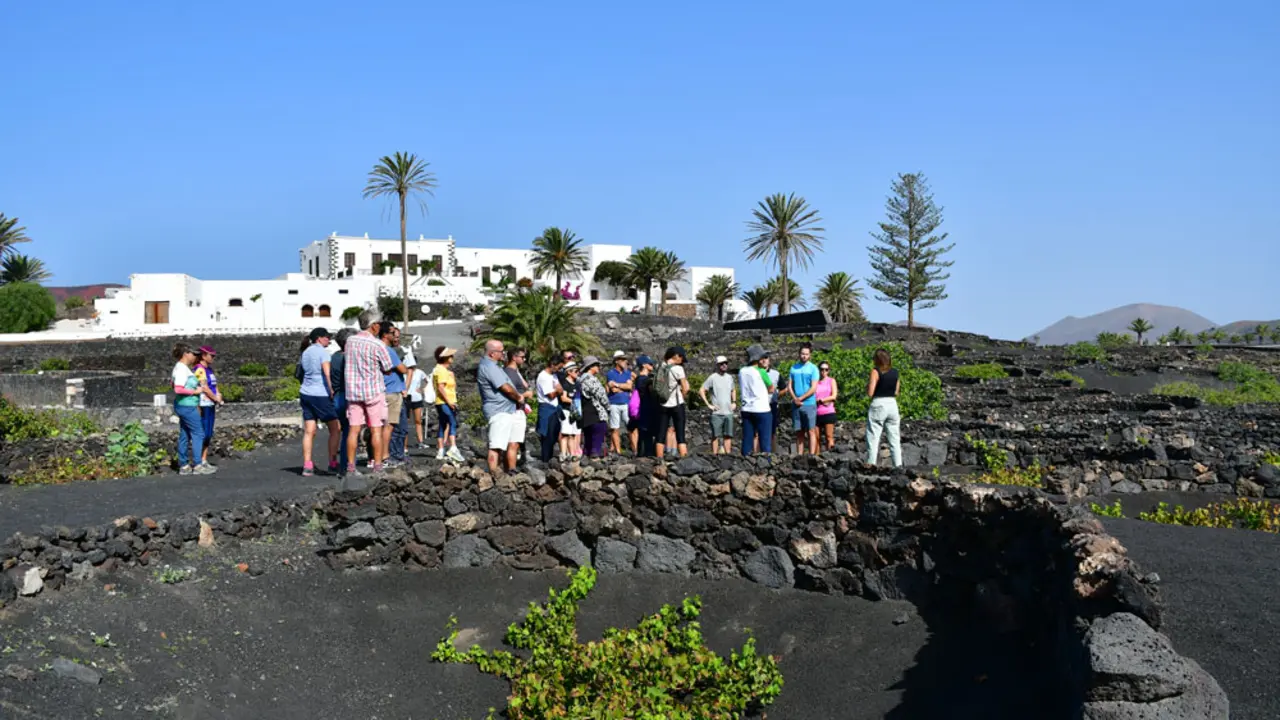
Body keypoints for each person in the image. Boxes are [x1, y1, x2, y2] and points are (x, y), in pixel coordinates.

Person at [343, 318, 393, 476]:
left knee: (353, 430)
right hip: (373, 390)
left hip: (353, 391)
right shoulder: (378, 344)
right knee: (376, 429)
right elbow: (388, 368)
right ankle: (377, 467)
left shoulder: (350, 340)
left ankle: (351, 467)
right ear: (374, 325)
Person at [298, 327, 341, 477]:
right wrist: (331, 390)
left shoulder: (305, 352)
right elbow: (327, 373)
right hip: (320, 393)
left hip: (305, 392)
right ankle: (333, 462)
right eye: (327, 337)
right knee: (335, 428)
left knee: (309, 430)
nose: (329, 340)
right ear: (319, 338)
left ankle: (307, 464)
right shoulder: (323, 353)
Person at [476, 339, 523, 476]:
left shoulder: (494, 366)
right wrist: (518, 397)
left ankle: (506, 472)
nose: (504, 354)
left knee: (505, 444)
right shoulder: (489, 367)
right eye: (501, 351)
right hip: (499, 411)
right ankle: (493, 475)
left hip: (506, 410)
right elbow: (505, 388)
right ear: (491, 353)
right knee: (496, 446)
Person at [171, 344, 216, 475]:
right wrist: (195, 391)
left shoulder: (181, 368)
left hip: (183, 405)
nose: (195, 357)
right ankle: (197, 464)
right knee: (198, 433)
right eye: (193, 354)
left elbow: (173, 383)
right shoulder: (181, 369)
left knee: (185, 434)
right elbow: (177, 388)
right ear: (186, 353)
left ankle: (183, 465)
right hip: (187, 406)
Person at [380, 323, 411, 467]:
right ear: (386, 335)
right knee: (391, 427)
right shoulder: (389, 351)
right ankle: (388, 456)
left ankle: (391, 455)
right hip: (392, 391)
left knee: (388, 427)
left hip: (384, 390)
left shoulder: (378, 349)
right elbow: (403, 369)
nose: (395, 336)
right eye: (392, 333)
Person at [866, 348, 903, 467]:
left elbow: (870, 392)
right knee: (894, 438)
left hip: (879, 403)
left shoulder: (876, 371)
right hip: (892, 404)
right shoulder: (895, 372)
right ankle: (898, 465)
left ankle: (871, 464)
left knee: (873, 436)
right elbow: (897, 392)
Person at [654, 346, 690, 458]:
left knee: (660, 434)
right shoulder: (678, 369)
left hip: (663, 403)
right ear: (675, 356)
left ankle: (659, 460)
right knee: (680, 435)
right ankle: (684, 460)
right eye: (681, 357)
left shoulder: (660, 367)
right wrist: (682, 396)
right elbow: (686, 388)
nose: (682, 360)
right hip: (677, 403)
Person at [739, 344, 774, 455]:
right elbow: (771, 388)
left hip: (746, 408)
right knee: (765, 441)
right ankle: (766, 464)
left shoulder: (742, 371)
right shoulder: (761, 371)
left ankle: (745, 462)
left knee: (747, 439)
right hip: (761, 409)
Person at [787, 343, 820, 455]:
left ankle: (811, 455)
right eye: (802, 354)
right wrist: (794, 398)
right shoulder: (793, 368)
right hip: (796, 404)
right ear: (799, 354)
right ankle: (799, 455)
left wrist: (800, 398)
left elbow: (814, 387)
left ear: (810, 355)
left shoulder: (813, 368)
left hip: (809, 403)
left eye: (806, 354)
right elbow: (790, 386)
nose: (804, 356)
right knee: (799, 432)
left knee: (811, 430)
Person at [432, 346, 464, 462]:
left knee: (443, 424)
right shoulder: (441, 370)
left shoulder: (443, 371)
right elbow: (441, 388)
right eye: (450, 356)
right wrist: (449, 402)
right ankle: (453, 447)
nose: (452, 357)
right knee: (452, 422)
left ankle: (441, 450)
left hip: (445, 401)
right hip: (445, 401)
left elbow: (451, 387)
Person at [699, 355, 737, 454]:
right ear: (717, 365)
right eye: (721, 364)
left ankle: (728, 455)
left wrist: (734, 402)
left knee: (728, 435)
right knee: (715, 435)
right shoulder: (712, 378)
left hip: (728, 411)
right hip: (717, 413)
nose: (724, 365)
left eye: (726, 363)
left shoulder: (729, 377)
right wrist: (708, 404)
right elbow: (702, 390)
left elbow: (733, 390)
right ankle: (714, 456)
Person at [504, 347, 534, 469]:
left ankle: (510, 468)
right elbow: (510, 392)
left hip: (518, 410)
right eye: (522, 357)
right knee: (514, 442)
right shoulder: (510, 373)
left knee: (515, 442)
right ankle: (511, 470)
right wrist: (526, 394)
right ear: (514, 357)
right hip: (515, 410)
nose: (524, 359)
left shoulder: (515, 372)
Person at [193, 346, 223, 466]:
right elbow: (204, 387)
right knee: (204, 431)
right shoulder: (200, 370)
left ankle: (204, 458)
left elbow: (214, 385)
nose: (213, 358)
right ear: (204, 355)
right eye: (211, 356)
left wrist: (219, 394)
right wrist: (216, 398)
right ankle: (199, 459)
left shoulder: (209, 370)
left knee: (209, 432)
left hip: (210, 403)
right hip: (203, 403)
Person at [330, 329, 353, 473]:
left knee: (342, 431)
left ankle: (340, 464)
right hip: (348, 395)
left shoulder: (334, 357)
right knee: (350, 432)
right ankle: (347, 465)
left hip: (337, 396)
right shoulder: (348, 358)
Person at [579, 356, 610, 458]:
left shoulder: (580, 380)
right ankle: (595, 456)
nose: (599, 367)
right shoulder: (591, 379)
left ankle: (586, 456)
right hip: (596, 411)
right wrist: (608, 407)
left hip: (585, 412)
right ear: (590, 367)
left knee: (588, 437)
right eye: (597, 365)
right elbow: (601, 395)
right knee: (598, 433)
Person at [535, 356, 564, 462]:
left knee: (554, 435)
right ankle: (545, 460)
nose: (559, 370)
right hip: (547, 408)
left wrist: (558, 390)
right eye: (558, 367)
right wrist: (558, 390)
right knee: (547, 436)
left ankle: (550, 459)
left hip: (555, 408)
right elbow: (551, 395)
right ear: (552, 365)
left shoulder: (554, 376)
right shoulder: (543, 377)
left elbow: (560, 389)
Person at [605, 351, 634, 455]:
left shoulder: (628, 373)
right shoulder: (610, 373)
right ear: (616, 361)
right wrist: (624, 386)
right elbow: (612, 389)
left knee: (631, 427)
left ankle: (635, 450)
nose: (625, 361)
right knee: (614, 428)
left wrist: (617, 385)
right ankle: (618, 451)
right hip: (614, 404)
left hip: (626, 403)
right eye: (622, 359)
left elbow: (629, 387)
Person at [631, 355, 655, 457]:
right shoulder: (642, 379)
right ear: (644, 365)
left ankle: (644, 453)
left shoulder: (640, 379)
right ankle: (645, 454)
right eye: (650, 364)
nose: (652, 365)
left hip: (644, 409)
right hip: (645, 409)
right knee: (646, 433)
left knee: (645, 433)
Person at [557, 361, 582, 459]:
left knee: (572, 434)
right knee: (565, 433)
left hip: (574, 413)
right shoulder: (564, 384)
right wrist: (573, 402)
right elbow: (563, 398)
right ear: (569, 372)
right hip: (566, 411)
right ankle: (563, 454)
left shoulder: (577, 384)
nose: (578, 373)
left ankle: (572, 454)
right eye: (576, 371)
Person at [815, 361, 839, 452]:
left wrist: (822, 400)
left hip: (828, 412)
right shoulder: (815, 382)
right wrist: (824, 400)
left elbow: (834, 396)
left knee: (829, 437)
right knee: (816, 438)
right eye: (821, 369)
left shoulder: (831, 381)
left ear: (828, 371)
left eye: (826, 369)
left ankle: (830, 458)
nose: (823, 371)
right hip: (817, 413)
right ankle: (816, 459)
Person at [406, 358, 430, 449]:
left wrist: (423, 389)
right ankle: (404, 444)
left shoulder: (420, 372)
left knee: (418, 421)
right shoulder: (405, 372)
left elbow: (428, 381)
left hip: (417, 399)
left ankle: (421, 442)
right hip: (407, 398)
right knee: (406, 421)